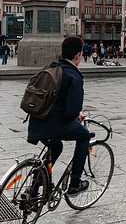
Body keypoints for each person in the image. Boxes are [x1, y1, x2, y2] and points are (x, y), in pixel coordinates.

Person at [27, 35, 90, 195]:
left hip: (36, 122)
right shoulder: (74, 76)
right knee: (84, 136)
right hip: (54, 125)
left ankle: (34, 187)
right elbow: (70, 112)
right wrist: (77, 115)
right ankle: (75, 183)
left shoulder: (51, 68)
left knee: (56, 146)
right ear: (78, 55)